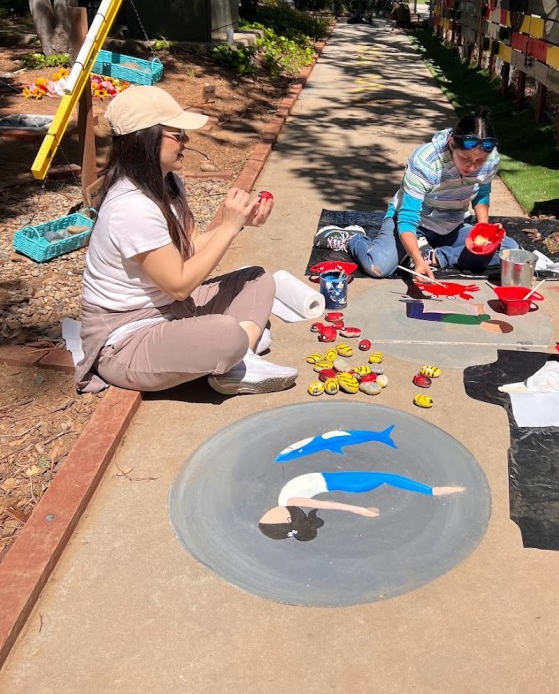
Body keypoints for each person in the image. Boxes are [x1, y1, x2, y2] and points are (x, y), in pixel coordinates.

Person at [74, 85, 297, 396]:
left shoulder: (168, 182)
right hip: (126, 340)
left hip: (173, 309)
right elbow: (179, 285)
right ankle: (235, 353)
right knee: (226, 334)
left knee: (258, 279)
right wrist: (227, 228)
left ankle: (238, 357)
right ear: (146, 138)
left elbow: (188, 250)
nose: (186, 141)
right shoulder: (131, 206)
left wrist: (239, 223)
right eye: (177, 134)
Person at [313, 108, 519, 279]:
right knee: (378, 267)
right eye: (465, 159)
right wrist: (417, 261)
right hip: (412, 222)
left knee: (509, 251)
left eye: (479, 161)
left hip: (451, 225)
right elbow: (407, 218)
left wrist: (483, 229)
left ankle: (437, 256)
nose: (472, 167)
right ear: (451, 144)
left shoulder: (491, 159)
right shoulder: (425, 161)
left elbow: (482, 193)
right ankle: (352, 239)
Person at [258, 471, 465, 541]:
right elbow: (328, 505)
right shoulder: (291, 502)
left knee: (384, 477)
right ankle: (432, 491)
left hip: (336, 480)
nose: (269, 511)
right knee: (386, 477)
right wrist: (359, 510)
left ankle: (431, 490)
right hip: (340, 482)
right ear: (287, 519)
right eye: (270, 516)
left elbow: (326, 503)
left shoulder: (285, 502)